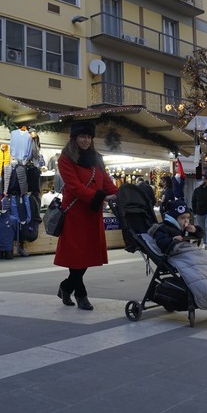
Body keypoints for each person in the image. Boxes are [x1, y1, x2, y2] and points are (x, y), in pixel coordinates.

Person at [54, 121, 118, 311]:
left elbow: (106, 181)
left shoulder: (96, 158)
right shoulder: (65, 159)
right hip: (75, 214)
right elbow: (74, 187)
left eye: (89, 137)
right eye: (82, 136)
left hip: (92, 213)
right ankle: (80, 294)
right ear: (74, 138)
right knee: (77, 256)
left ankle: (66, 287)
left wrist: (123, 194)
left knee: (87, 256)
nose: (86, 140)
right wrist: (101, 197)